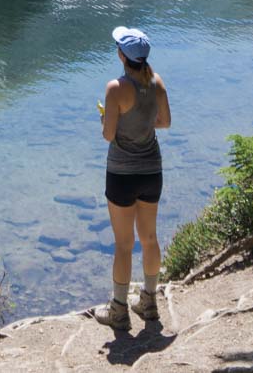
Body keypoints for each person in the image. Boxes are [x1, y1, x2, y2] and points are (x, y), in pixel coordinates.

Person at [91, 24, 171, 329]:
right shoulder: (157, 82)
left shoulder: (115, 88)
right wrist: (142, 123)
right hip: (152, 170)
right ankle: (149, 303)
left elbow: (109, 135)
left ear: (122, 55)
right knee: (149, 238)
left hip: (122, 174)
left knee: (124, 244)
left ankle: (119, 311)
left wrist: (105, 119)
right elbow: (164, 122)